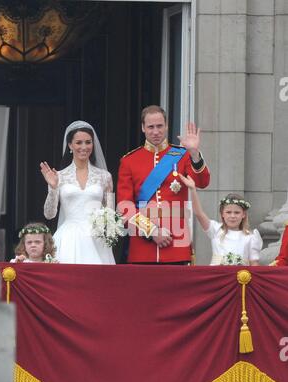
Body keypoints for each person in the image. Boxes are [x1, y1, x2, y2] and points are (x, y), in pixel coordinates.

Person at [117, 105, 210, 264]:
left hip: (176, 245)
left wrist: (194, 153)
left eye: (159, 126)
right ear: (143, 128)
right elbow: (125, 206)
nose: (155, 131)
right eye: (150, 127)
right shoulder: (129, 161)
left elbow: (202, 182)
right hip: (143, 249)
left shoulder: (181, 155)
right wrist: (152, 231)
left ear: (166, 126)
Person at [40, 121, 115, 264]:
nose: (84, 147)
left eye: (88, 142)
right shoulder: (59, 176)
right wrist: (53, 188)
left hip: (96, 239)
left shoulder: (105, 176)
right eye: (78, 143)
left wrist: (106, 230)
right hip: (69, 237)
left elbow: (110, 214)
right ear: (70, 145)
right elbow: (49, 214)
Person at [179, 174, 262, 265]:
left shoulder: (250, 236)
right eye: (228, 212)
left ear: (244, 215)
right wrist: (192, 189)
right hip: (217, 275)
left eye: (237, 213)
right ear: (222, 214)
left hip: (240, 277)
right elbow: (199, 213)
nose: (232, 216)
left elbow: (254, 263)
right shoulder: (215, 229)